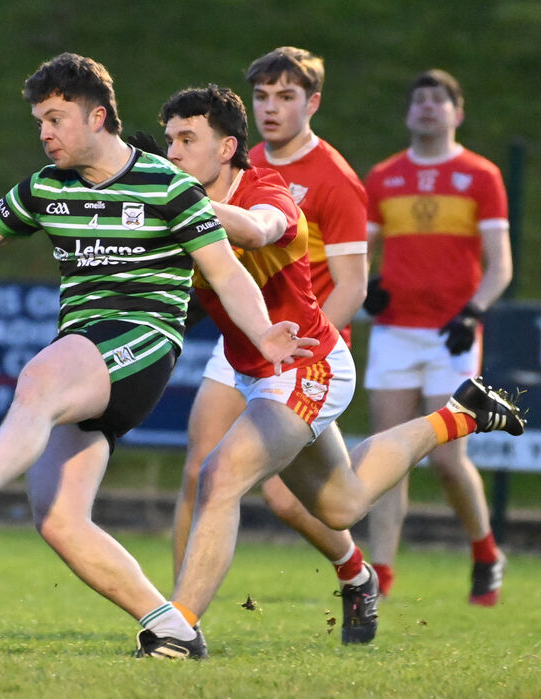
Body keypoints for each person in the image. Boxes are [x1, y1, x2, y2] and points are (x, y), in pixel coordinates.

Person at [0, 53, 318, 658]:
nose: (45, 133)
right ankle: (171, 628)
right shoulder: (46, 188)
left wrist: (262, 333)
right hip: (88, 354)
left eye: (55, 118)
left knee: (41, 375)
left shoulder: (167, 184)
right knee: (57, 517)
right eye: (38, 122)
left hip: (141, 341)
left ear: (97, 115)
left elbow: (226, 272)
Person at [135, 83, 525, 659]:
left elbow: (257, 229)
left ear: (227, 149)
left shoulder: (267, 190)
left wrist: (165, 198)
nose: (173, 153)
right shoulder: (183, 209)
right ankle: (456, 417)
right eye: (169, 140)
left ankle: (179, 630)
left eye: (187, 139)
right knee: (341, 506)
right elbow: (190, 294)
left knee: (219, 477)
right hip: (256, 372)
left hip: (308, 366)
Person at [172, 46, 376, 644]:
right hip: (243, 339)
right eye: (261, 96)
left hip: (299, 343)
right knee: (204, 473)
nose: (270, 108)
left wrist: (304, 357)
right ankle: (177, 614)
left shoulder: (332, 181)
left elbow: (353, 284)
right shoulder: (228, 161)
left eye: (285, 96)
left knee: (291, 500)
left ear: (311, 103)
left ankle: (353, 570)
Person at [362, 69, 513, 605]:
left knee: (448, 460)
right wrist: (369, 289)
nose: (427, 108)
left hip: (451, 335)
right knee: (390, 456)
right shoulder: (383, 176)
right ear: (408, 114)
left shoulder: (481, 175)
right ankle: (379, 575)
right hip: (394, 334)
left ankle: (485, 551)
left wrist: (471, 314)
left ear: (458, 112)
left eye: (438, 100)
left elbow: (501, 267)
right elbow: (361, 254)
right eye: (418, 100)